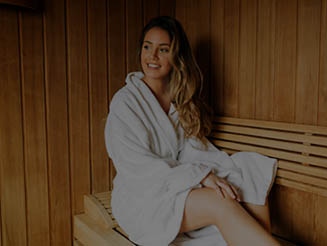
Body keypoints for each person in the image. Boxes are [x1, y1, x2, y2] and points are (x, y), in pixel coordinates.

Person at [105, 16, 279, 246]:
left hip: (177, 184)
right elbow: (138, 167)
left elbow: (195, 151)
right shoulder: (126, 103)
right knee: (220, 201)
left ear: (176, 55)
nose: (152, 56)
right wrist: (200, 175)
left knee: (247, 177)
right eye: (147, 46)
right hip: (143, 197)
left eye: (163, 49)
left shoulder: (180, 100)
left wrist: (213, 173)